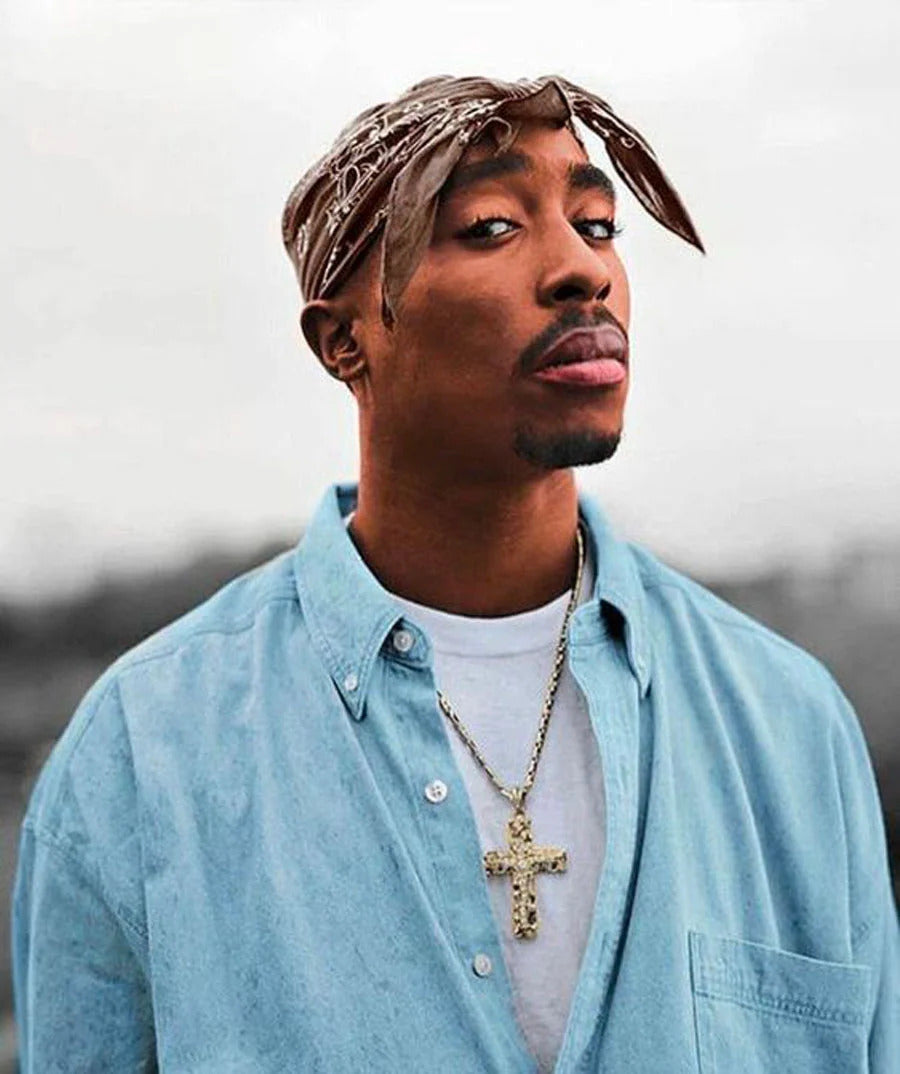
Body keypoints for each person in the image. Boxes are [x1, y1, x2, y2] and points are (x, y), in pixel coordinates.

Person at [11, 74, 897, 1073]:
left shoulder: (785, 725)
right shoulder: (147, 757)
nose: (581, 271)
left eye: (599, 224)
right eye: (488, 227)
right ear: (345, 341)